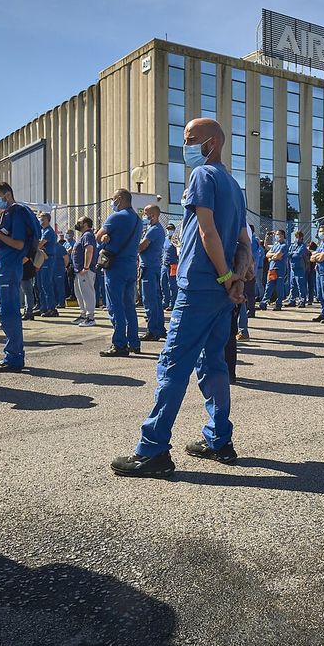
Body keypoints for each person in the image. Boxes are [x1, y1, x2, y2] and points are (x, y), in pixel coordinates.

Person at [112, 118, 250, 478]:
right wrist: (236, 279)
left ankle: (153, 450)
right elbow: (245, 244)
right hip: (220, 292)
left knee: (173, 364)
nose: (185, 146)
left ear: (212, 144)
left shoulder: (203, 176)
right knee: (214, 364)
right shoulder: (235, 186)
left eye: (191, 140)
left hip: (202, 286)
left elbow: (207, 232)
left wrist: (223, 276)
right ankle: (219, 439)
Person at [0, 182, 38, 370]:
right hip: (5, 267)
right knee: (7, 312)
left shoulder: (16, 212)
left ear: (7, 195)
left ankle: (13, 357)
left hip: (10, 267)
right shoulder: (7, 214)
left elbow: (18, 244)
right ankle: (14, 354)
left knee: (8, 313)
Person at [98, 188, 143, 357]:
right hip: (131, 266)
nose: (112, 202)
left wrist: (104, 238)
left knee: (115, 306)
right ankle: (134, 342)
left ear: (119, 199)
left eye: (113, 199)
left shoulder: (116, 217)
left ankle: (119, 344)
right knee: (129, 306)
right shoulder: (138, 220)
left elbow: (98, 236)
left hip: (115, 267)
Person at [139, 204, 168, 341]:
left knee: (150, 300)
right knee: (155, 300)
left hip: (149, 268)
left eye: (146, 213)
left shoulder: (154, 230)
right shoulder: (154, 229)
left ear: (154, 215)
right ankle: (159, 328)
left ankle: (153, 330)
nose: (144, 216)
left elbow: (141, 246)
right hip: (153, 267)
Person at [72, 217, 98, 326]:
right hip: (79, 271)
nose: (77, 224)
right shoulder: (84, 235)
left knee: (87, 293)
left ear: (86, 224)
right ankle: (83, 315)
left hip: (85, 271)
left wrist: (86, 267)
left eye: (79, 222)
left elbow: (89, 250)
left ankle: (90, 317)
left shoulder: (87, 235)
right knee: (80, 293)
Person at [36, 212, 60, 317]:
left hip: (48, 259)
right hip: (41, 257)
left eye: (43, 218)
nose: (41, 220)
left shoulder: (49, 231)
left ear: (48, 220)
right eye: (40, 218)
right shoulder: (42, 230)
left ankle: (51, 308)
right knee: (40, 284)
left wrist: (38, 245)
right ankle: (43, 307)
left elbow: (40, 244)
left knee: (46, 284)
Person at [264, 229, 288, 311]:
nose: (277, 236)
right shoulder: (275, 245)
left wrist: (272, 257)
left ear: (283, 236)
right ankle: (264, 302)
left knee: (279, 287)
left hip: (280, 269)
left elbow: (278, 256)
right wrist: (272, 256)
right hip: (272, 269)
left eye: (278, 234)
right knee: (269, 286)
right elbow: (267, 254)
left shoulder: (284, 246)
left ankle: (279, 304)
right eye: (276, 234)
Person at [286, 229, 310, 307]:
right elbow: (288, 253)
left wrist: (292, 253)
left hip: (300, 267)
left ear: (301, 238)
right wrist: (293, 253)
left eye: (298, 237)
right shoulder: (293, 245)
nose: (296, 239)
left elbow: (299, 254)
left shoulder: (303, 246)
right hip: (293, 267)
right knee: (293, 285)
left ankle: (302, 301)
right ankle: (292, 300)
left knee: (301, 285)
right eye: (295, 237)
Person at [161, 221, 179, 309]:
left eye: (171, 229)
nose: (169, 231)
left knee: (172, 285)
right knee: (163, 283)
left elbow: (179, 252)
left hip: (173, 265)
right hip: (164, 265)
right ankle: (165, 302)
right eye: (168, 229)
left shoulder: (176, 240)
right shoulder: (165, 239)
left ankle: (173, 303)